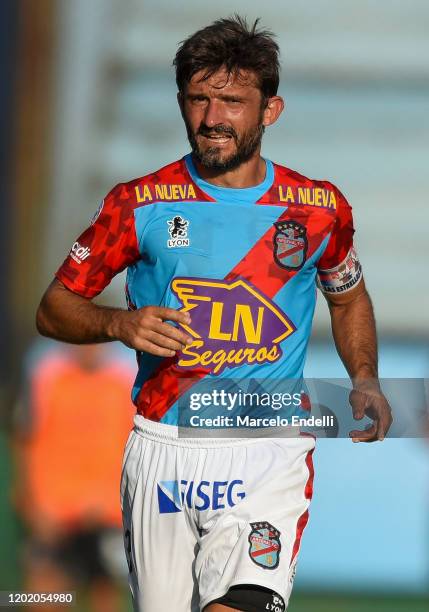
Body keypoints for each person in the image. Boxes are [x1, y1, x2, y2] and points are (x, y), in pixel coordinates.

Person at [36, 15, 392, 612]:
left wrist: (365, 378)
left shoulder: (317, 208)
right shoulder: (139, 203)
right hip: (163, 447)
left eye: (231, 101)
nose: (211, 118)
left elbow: (348, 293)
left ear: (270, 111)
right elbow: (54, 308)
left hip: (267, 449)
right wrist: (117, 324)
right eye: (198, 99)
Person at [13, 342, 135, 612]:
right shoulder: (45, 373)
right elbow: (24, 438)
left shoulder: (124, 379)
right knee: (44, 595)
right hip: (53, 511)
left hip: (106, 512)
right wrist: (31, 502)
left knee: (105, 594)